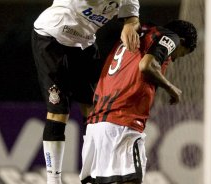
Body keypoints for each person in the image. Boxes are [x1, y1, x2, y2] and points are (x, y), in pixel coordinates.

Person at [31, 1, 140, 184]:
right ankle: (53, 179)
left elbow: (132, 17)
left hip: (84, 44)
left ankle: (94, 173)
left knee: (95, 111)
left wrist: (129, 25)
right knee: (59, 112)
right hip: (51, 37)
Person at [79, 19, 197, 184]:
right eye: (181, 53)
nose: (175, 58)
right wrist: (171, 88)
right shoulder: (170, 37)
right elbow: (146, 65)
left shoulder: (136, 34)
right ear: (182, 41)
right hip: (122, 123)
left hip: (96, 126)